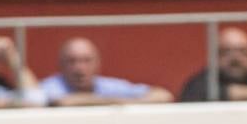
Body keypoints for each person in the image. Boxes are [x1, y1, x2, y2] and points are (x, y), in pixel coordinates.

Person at [40, 37, 173, 106]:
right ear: (60, 66)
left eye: (86, 61)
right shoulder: (50, 86)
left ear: (97, 64)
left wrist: (122, 103)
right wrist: (119, 103)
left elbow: (163, 96)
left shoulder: (108, 85)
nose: (79, 68)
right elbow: (62, 103)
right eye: (72, 61)